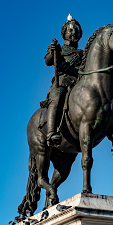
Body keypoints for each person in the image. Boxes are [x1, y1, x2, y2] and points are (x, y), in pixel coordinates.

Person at [44, 14, 83, 145]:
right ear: (64, 33)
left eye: (76, 30)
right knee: (57, 95)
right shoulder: (58, 48)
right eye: (70, 30)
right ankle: (51, 132)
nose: (73, 33)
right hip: (63, 81)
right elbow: (48, 61)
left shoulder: (82, 53)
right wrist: (53, 52)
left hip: (78, 82)